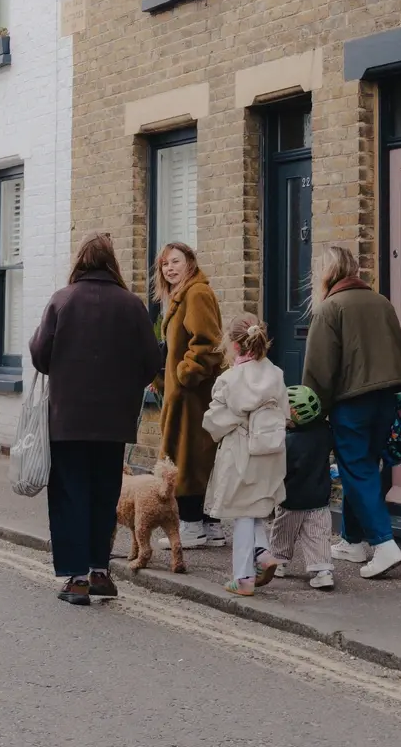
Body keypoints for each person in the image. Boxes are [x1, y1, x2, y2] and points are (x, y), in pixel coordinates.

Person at [30, 232, 162, 606]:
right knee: (105, 494)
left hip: (68, 421)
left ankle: (76, 579)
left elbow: (41, 357)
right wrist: (123, 386)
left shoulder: (62, 300)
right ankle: (101, 572)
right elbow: (152, 362)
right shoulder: (132, 305)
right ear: (112, 263)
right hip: (113, 421)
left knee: (72, 494)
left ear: (80, 262)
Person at [303, 245, 401, 580]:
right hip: (388, 398)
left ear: (326, 272)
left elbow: (319, 371)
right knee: (364, 467)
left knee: (357, 468)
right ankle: (352, 540)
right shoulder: (381, 302)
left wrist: (310, 410)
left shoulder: (329, 309)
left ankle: (384, 544)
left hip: (352, 403)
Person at [203, 316, 288, 596]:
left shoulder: (229, 379)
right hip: (270, 450)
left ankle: (243, 578)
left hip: (239, 453)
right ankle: (263, 553)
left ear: (235, 346)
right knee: (255, 507)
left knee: (240, 513)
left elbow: (213, 421)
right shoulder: (276, 373)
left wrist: (236, 418)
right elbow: (285, 413)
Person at [154, 242, 225, 550]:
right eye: (164, 264)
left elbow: (208, 343)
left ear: (191, 262)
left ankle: (193, 526)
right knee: (198, 457)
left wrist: (185, 375)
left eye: (175, 262)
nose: (169, 268)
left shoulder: (196, 293)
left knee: (190, 458)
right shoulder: (183, 294)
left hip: (193, 395)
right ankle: (211, 528)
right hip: (187, 394)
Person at [270, 385, 335, 591]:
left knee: (283, 533)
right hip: (319, 498)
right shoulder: (325, 433)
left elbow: (279, 471)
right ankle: (322, 571)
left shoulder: (287, 443)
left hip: (290, 499)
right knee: (318, 535)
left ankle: (278, 563)